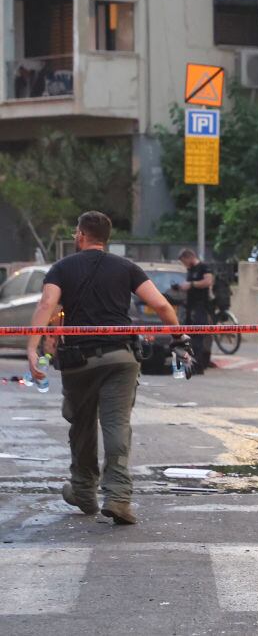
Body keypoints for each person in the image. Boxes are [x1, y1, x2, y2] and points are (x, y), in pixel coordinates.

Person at [26, 211, 192, 525]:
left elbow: (46, 306)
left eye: (76, 232)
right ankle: (118, 497)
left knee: (82, 425)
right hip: (121, 357)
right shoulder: (126, 267)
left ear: (81, 234)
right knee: (116, 425)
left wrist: (33, 348)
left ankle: (84, 492)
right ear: (106, 238)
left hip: (79, 361)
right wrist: (179, 336)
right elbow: (160, 305)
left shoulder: (62, 268)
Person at [175, 248, 214, 373]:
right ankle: (191, 363)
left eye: (184, 262)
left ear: (189, 257)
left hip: (201, 307)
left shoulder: (203, 267)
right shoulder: (190, 270)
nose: (184, 265)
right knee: (188, 336)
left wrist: (191, 285)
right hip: (190, 307)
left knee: (198, 336)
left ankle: (199, 365)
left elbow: (208, 281)